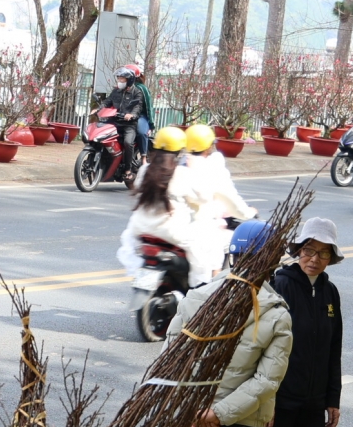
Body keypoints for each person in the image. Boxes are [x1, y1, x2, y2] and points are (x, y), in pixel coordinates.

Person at [168, 221, 295, 427]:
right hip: (240, 426)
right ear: (270, 260)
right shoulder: (277, 313)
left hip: (195, 421)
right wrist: (219, 414)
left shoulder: (195, 298)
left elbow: (169, 361)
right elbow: (266, 381)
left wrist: (195, 409)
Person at [248, 218, 345, 427]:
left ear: (331, 258)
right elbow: (260, 349)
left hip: (313, 404)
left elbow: (334, 348)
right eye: (308, 250)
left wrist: (333, 399)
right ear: (297, 250)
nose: (314, 259)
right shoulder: (280, 286)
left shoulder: (330, 294)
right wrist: (265, 401)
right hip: (279, 403)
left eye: (323, 253)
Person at [173, 123, 258, 284]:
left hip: (172, 228)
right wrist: (248, 213)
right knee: (217, 252)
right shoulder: (211, 168)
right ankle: (213, 291)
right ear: (208, 147)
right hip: (199, 231)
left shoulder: (178, 164)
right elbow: (232, 201)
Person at [118, 127, 195, 284]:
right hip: (172, 236)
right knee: (204, 260)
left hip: (140, 232)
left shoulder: (144, 170)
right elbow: (199, 200)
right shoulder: (183, 173)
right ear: (180, 151)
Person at [106, 65, 153, 168]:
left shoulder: (141, 89)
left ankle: (144, 158)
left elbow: (149, 107)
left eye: (124, 76)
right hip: (123, 116)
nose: (121, 79)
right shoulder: (120, 88)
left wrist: (151, 124)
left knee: (140, 132)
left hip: (140, 116)